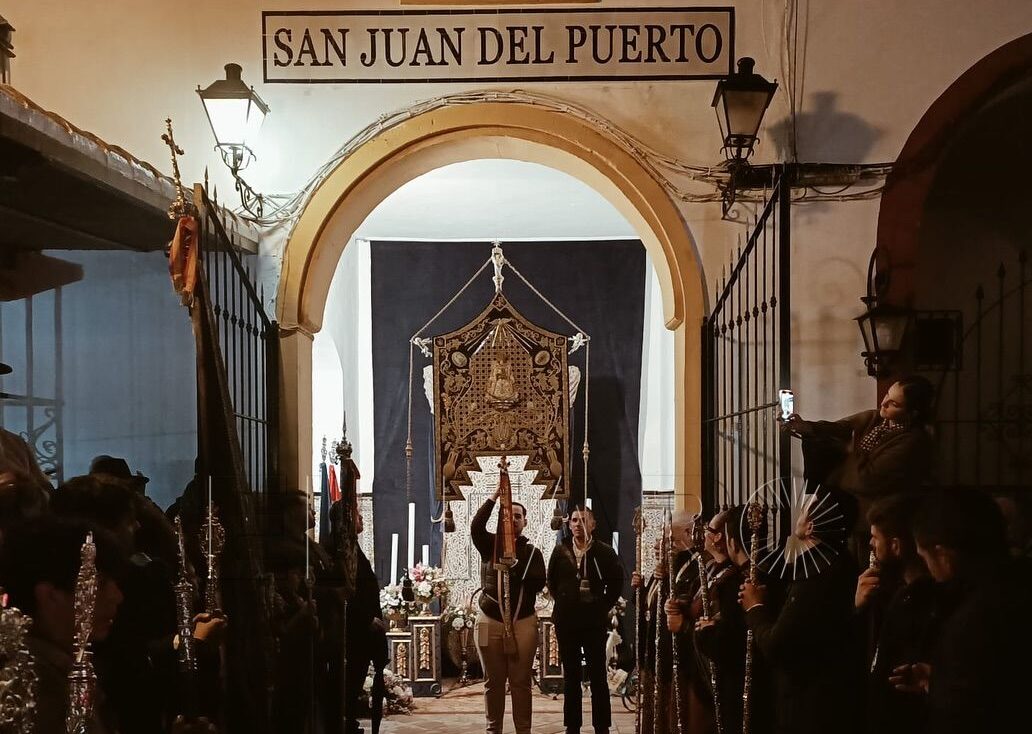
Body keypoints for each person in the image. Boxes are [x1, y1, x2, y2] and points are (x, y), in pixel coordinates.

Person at [890, 488, 1032, 732]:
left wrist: (947, 683)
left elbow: (967, 712)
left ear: (942, 554)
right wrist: (939, 680)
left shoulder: (973, 619)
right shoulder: (1018, 584)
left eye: (925, 558)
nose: (929, 571)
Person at [740, 491, 863, 734]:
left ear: (810, 526)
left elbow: (779, 643)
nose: (799, 509)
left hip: (808, 705)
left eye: (805, 508)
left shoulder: (818, 572)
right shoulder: (834, 563)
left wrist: (754, 608)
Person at [783, 376, 935, 528]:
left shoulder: (913, 441)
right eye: (887, 394)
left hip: (873, 515)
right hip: (843, 504)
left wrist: (846, 450)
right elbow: (841, 428)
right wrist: (807, 428)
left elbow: (866, 479)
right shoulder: (876, 417)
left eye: (893, 404)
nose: (883, 403)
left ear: (912, 413)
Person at [854, 494, 937, 734]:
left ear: (895, 546)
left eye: (875, 538)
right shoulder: (890, 591)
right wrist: (860, 608)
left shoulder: (915, 600)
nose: (870, 545)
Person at [470, 487, 546, 734]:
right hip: (490, 620)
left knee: (521, 682)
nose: (513, 519)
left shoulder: (532, 552)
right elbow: (476, 527)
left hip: (522, 622)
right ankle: (494, 730)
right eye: (508, 514)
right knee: (493, 682)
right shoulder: (488, 543)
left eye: (518, 516)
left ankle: (523, 730)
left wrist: (515, 566)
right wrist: (493, 497)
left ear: (525, 522)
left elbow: (537, 582)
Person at [669, 509, 746, 734]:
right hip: (696, 668)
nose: (703, 534)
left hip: (715, 675)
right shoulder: (713, 569)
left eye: (709, 530)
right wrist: (678, 607)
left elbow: (723, 632)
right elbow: (695, 604)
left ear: (720, 538)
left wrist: (684, 626)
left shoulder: (732, 579)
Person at [547, 507, 624, 734]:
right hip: (567, 622)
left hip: (593, 622)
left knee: (598, 675)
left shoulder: (605, 552)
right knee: (571, 676)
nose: (578, 524)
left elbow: (617, 582)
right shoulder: (560, 551)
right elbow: (551, 581)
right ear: (569, 525)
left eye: (583, 520)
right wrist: (564, 601)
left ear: (593, 524)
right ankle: (572, 726)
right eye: (574, 520)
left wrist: (602, 606)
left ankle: (602, 727)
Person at [631, 512, 697, 734]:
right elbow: (651, 605)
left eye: (668, 538)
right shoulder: (666, 566)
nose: (660, 544)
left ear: (688, 534)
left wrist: (666, 580)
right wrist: (640, 590)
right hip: (654, 653)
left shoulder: (692, 567)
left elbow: (677, 603)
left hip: (673, 656)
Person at [325, 501, 388, 734]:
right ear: (346, 520)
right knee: (347, 687)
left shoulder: (351, 547)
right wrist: (366, 620)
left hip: (363, 634)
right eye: (357, 514)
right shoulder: (336, 549)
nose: (361, 517)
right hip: (352, 632)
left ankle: (349, 723)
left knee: (353, 687)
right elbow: (345, 594)